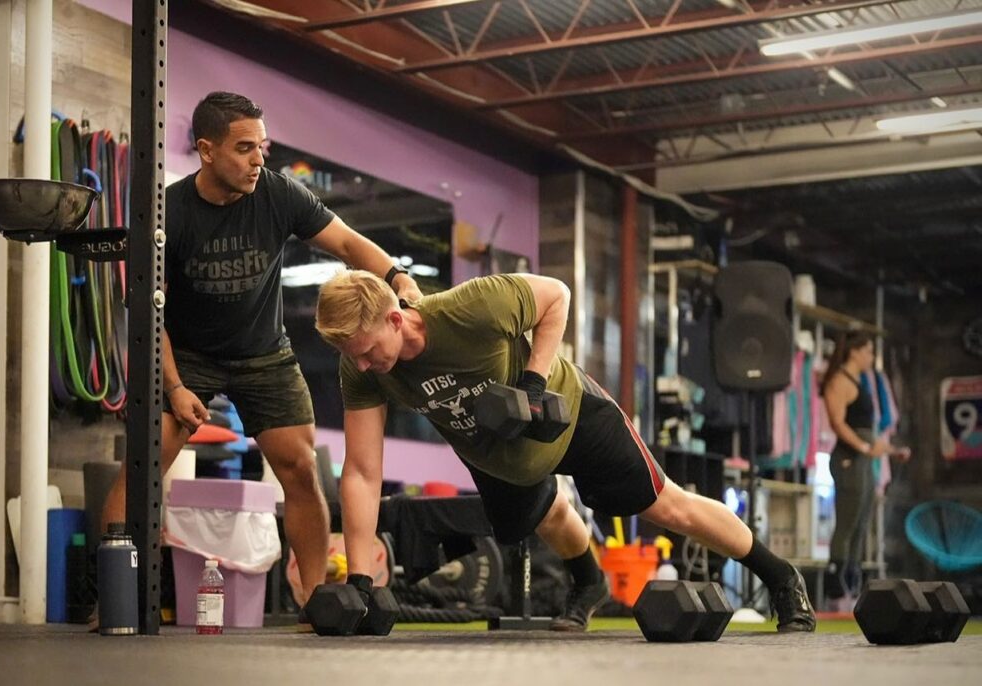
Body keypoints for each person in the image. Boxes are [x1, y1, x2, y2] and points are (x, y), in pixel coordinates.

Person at [314, 270, 817, 633]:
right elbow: (361, 470)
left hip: (572, 417)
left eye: (365, 348)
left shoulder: (471, 307)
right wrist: (359, 578)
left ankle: (781, 577)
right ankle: (588, 581)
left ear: (395, 319)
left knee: (669, 505)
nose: (359, 364)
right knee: (533, 519)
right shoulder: (362, 372)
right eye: (349, 355)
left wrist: (533, 379)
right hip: (502, 459)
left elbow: (556, 295)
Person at [101, 92, 422, 609]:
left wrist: (396, 275)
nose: (258, 160)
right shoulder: (171, 211)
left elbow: (346, 244)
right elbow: (146, 310)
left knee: (299, 468)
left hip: (264, 352)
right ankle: (112, 599)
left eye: (262, 147)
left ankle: (319, 601)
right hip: (187, 355)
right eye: (244, 148)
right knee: (143, 464)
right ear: (206, 150)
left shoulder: (277, 194)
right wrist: (176, 387)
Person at [821, 332, 909, 601]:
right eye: (869, 351)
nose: (871, 357)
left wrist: (890, 451)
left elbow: (869, 432)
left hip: (865, 460)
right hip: (848, 460)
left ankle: (854, 584)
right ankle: (835, 587)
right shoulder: (839, 381)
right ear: (855, 352)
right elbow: (838, 423)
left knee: (861, 524)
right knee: (846, 523)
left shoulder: (864, 382)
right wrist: (863, 447)